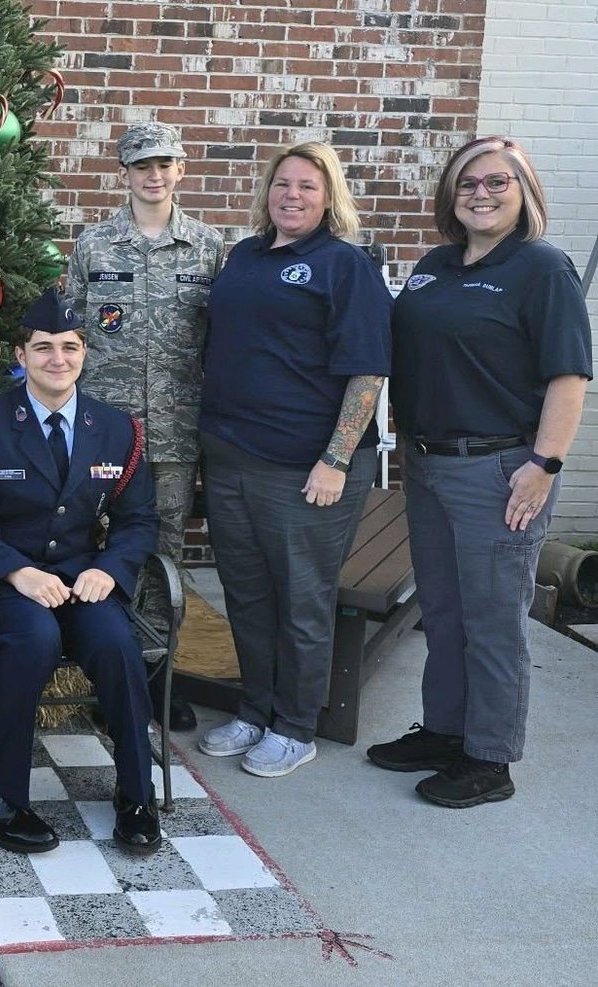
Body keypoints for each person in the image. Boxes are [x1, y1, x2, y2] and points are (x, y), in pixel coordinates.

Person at [368, 136, 591, 807]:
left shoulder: (542, 270)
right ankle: (444, 730)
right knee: (444, 611)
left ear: (524, 193)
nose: (482, 194)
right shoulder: (436, 265)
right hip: (430, 465)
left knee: (493, 620)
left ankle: (490, 757)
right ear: (450, 195)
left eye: (497, 182)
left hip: (500, 469)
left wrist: (543, 466)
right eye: (468, 183)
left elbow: (569, 377)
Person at [196, 141, 392, 778]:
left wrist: (334, 459)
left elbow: (366, 373)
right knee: (247, 594)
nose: (293, 195)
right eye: (283, 184)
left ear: (329, 196)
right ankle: (255, 709)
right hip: (230, 458)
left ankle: (296, 724)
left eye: (309, 186)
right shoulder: (245, 256)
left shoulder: (343, 265)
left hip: (306, 465)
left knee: (302, 599)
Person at [0, 287, 163, 855]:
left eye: (69, 347)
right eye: (42, 348)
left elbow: (138, 521)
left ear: (84, 353)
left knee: (117, 642)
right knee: (33, 638)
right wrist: (17, 574)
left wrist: (111, 570)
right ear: (20, 356)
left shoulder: (116, 428)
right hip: (5, 584)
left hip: (83, 577)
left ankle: (136, 794)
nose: (57, 359)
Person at [65, 121, 225, 732]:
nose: (153, 176)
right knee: (99, 549)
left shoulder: (208, 249)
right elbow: (70, 335)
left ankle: (156, 680)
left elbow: (219, 345)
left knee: (163, 558)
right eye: (141, 166)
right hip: (105, 434)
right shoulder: (95, 246)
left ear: (180, 170)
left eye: (164, 165)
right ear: (125, 174)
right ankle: (105, 674)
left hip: (175, 438)